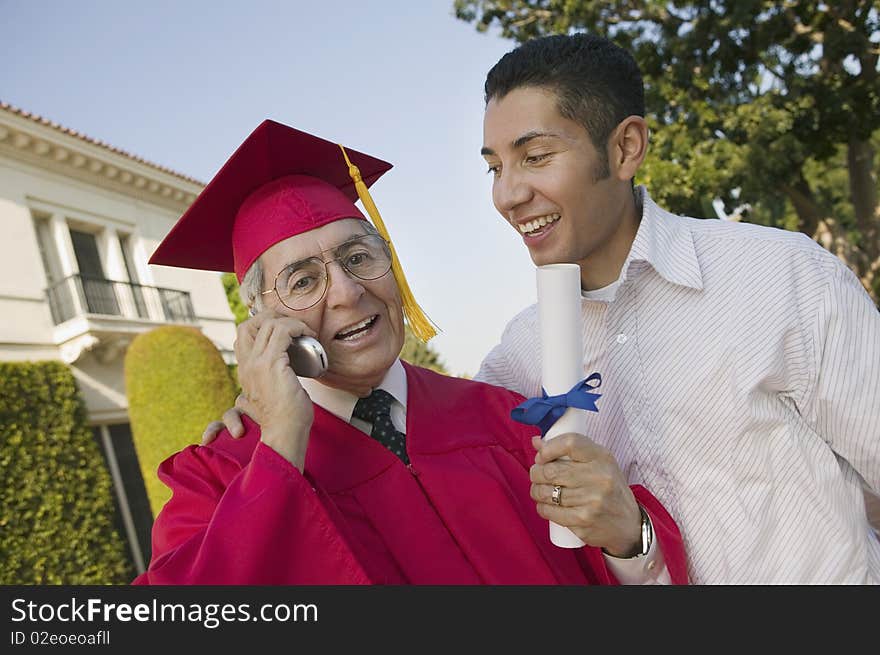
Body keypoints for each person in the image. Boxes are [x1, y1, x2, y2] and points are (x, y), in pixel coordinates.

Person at [206, 34, 880, 584]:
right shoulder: (517, 365)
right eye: (495, 166)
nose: (508, 194)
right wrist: (265, 405)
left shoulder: (780, 275)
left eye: (535, 156)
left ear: (625, 147)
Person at [133, 119, 688, 585]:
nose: (349, 293)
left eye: (358, 257)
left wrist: (631, 538)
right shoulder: (220, 477)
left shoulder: (502, 419)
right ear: (263, 324)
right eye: (303, 282)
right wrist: (279, 445)